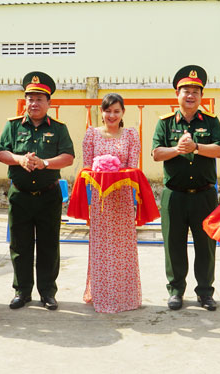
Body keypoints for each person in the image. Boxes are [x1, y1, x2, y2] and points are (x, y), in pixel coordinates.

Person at [0, 72, 75, 310]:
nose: (34, 103)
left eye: (39, 98)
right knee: (20, 246)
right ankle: (22, 291)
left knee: (49, 245)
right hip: (20, 195)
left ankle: (48, 292)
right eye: (30, 98)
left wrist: (45, 163)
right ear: (25, 101)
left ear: (49, 103)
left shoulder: (59, 129)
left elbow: (68, 157)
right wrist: (20, 159)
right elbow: (1, 153)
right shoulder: (12, 126)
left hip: (48, 195)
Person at [152, 65, 220, 311]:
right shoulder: (164, 123)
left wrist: (196, 147)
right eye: (186, 90)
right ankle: (175, 291)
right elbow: (156, 154)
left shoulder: (212, 121)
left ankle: (205, 292)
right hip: (174, 195)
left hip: (204, 195)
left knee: (205, 245)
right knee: (173, 245)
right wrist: (178, 149)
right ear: (177, 94)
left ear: (201, 96)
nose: (190, 95)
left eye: (196, 91)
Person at [81, 93, 143, 313]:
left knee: (123, 248)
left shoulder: (131, 135)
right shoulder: (91, 135)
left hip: (123, 198)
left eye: (117, 111)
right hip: (100, 200)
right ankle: (102, 294)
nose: (112, 115)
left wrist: (114, 174)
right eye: (108, 111)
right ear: (102, 112)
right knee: (102, 248)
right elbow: (87, 168)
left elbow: (132, 167)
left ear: (123, 112)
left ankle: (125, 297)